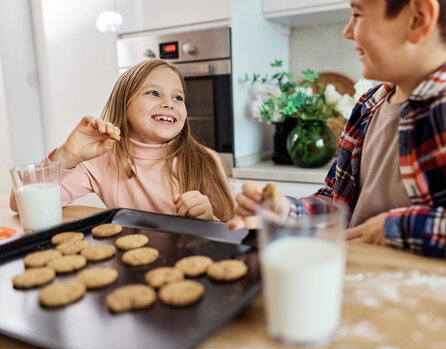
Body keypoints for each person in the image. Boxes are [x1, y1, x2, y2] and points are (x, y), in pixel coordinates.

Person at [228, 0, 446, 257]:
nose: (347, 30)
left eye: (357, 13)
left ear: (418, 18)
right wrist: (287, 212)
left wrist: (393, 228)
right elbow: (339, 200)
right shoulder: (368, 106)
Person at [10, 59, 234, 222]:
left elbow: (233, 228)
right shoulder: (100, 159)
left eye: (178, 97)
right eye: (154, 93)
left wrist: (209, 218)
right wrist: (67, 156)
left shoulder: (203, 159)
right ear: (123, 105)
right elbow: (20, 205)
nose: (169, 103)